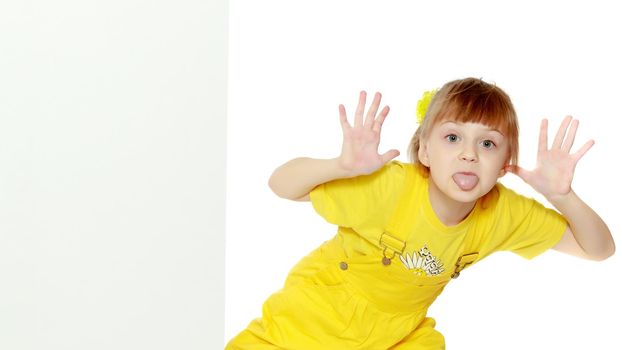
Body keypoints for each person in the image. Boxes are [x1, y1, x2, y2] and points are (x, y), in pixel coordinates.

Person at [225, 77, 615, 349]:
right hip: (318, 315)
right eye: (452, 137)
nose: (469, 153)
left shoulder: (502, 213)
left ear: (504, 164)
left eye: (488, 143)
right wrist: (339, 167)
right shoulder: (390, 186)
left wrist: (562, 196)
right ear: (425, 151)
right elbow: (281, 185)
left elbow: (598, 249)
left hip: (399, 334)